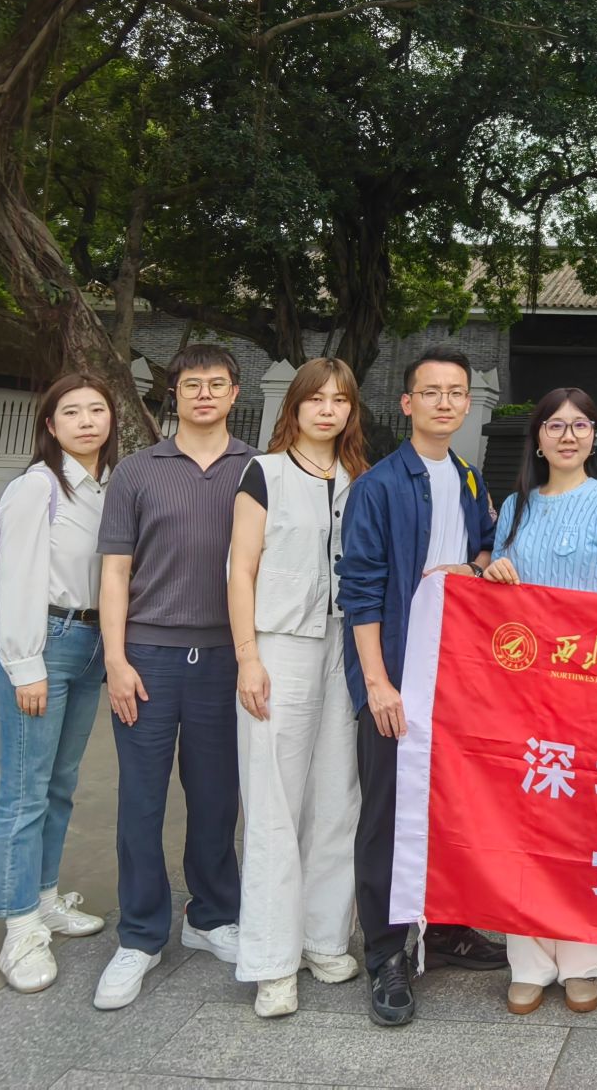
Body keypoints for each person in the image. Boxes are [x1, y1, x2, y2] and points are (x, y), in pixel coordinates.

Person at [336, 346, 507, 1027]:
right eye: (430, 391)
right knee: (385, 815)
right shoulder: (379, 485)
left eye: (455, 392)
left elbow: (484, 547)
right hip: (399, 675)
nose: (444, 402)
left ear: (468, 404)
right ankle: (385, 954)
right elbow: (360, 590)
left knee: (449, 807)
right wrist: (377, 683)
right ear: (407, 403)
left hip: (454, 677)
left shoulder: (467, 477)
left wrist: (479, 567)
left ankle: (446, 930)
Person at [93, 345, 254, 1011]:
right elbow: (114, 572)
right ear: (175, 394)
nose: (205, 395)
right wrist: (116, 660)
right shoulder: (137, 471)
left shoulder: (257, 470)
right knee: (141, 801)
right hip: (149, 659)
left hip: (224, 660)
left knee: (217, 799)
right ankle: (139, 935)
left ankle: (211, 916)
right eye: (192, 385)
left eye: (217, 384)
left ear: (236, 393)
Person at [483, 386, 597, 1015]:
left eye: (579, 425)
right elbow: (497, 599)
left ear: (595, 437)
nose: (567, 435)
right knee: (521, 822)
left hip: (585, 687)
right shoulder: (515, 507)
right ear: (539, 439)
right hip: (519, 689)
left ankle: (581, 958)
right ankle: (526, 959)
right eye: (554, 425)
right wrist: (492, 573)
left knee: (581, 823)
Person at [228, 360, 369, 1018]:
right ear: (295, 405)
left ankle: (322, 938)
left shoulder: (361, 480)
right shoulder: (265, 473)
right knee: (274, 803)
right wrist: (248, 657)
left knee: (338, 797)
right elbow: (241, 569)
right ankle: (271, 960)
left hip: (346, 644)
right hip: (278, 645)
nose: (328, 410)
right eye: (316, 399)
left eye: (340, 400)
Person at [0, 375, 118, 993]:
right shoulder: (36, 486)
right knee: (24, 791)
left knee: (60, 784)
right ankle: (19, 926)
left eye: (97, 409)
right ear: (51, 426)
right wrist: (24, 662)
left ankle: (45, 897)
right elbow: (19, 577)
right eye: (71, 412)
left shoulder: (109, 486)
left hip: (92, 646)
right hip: (46, 645)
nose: (86, 421)